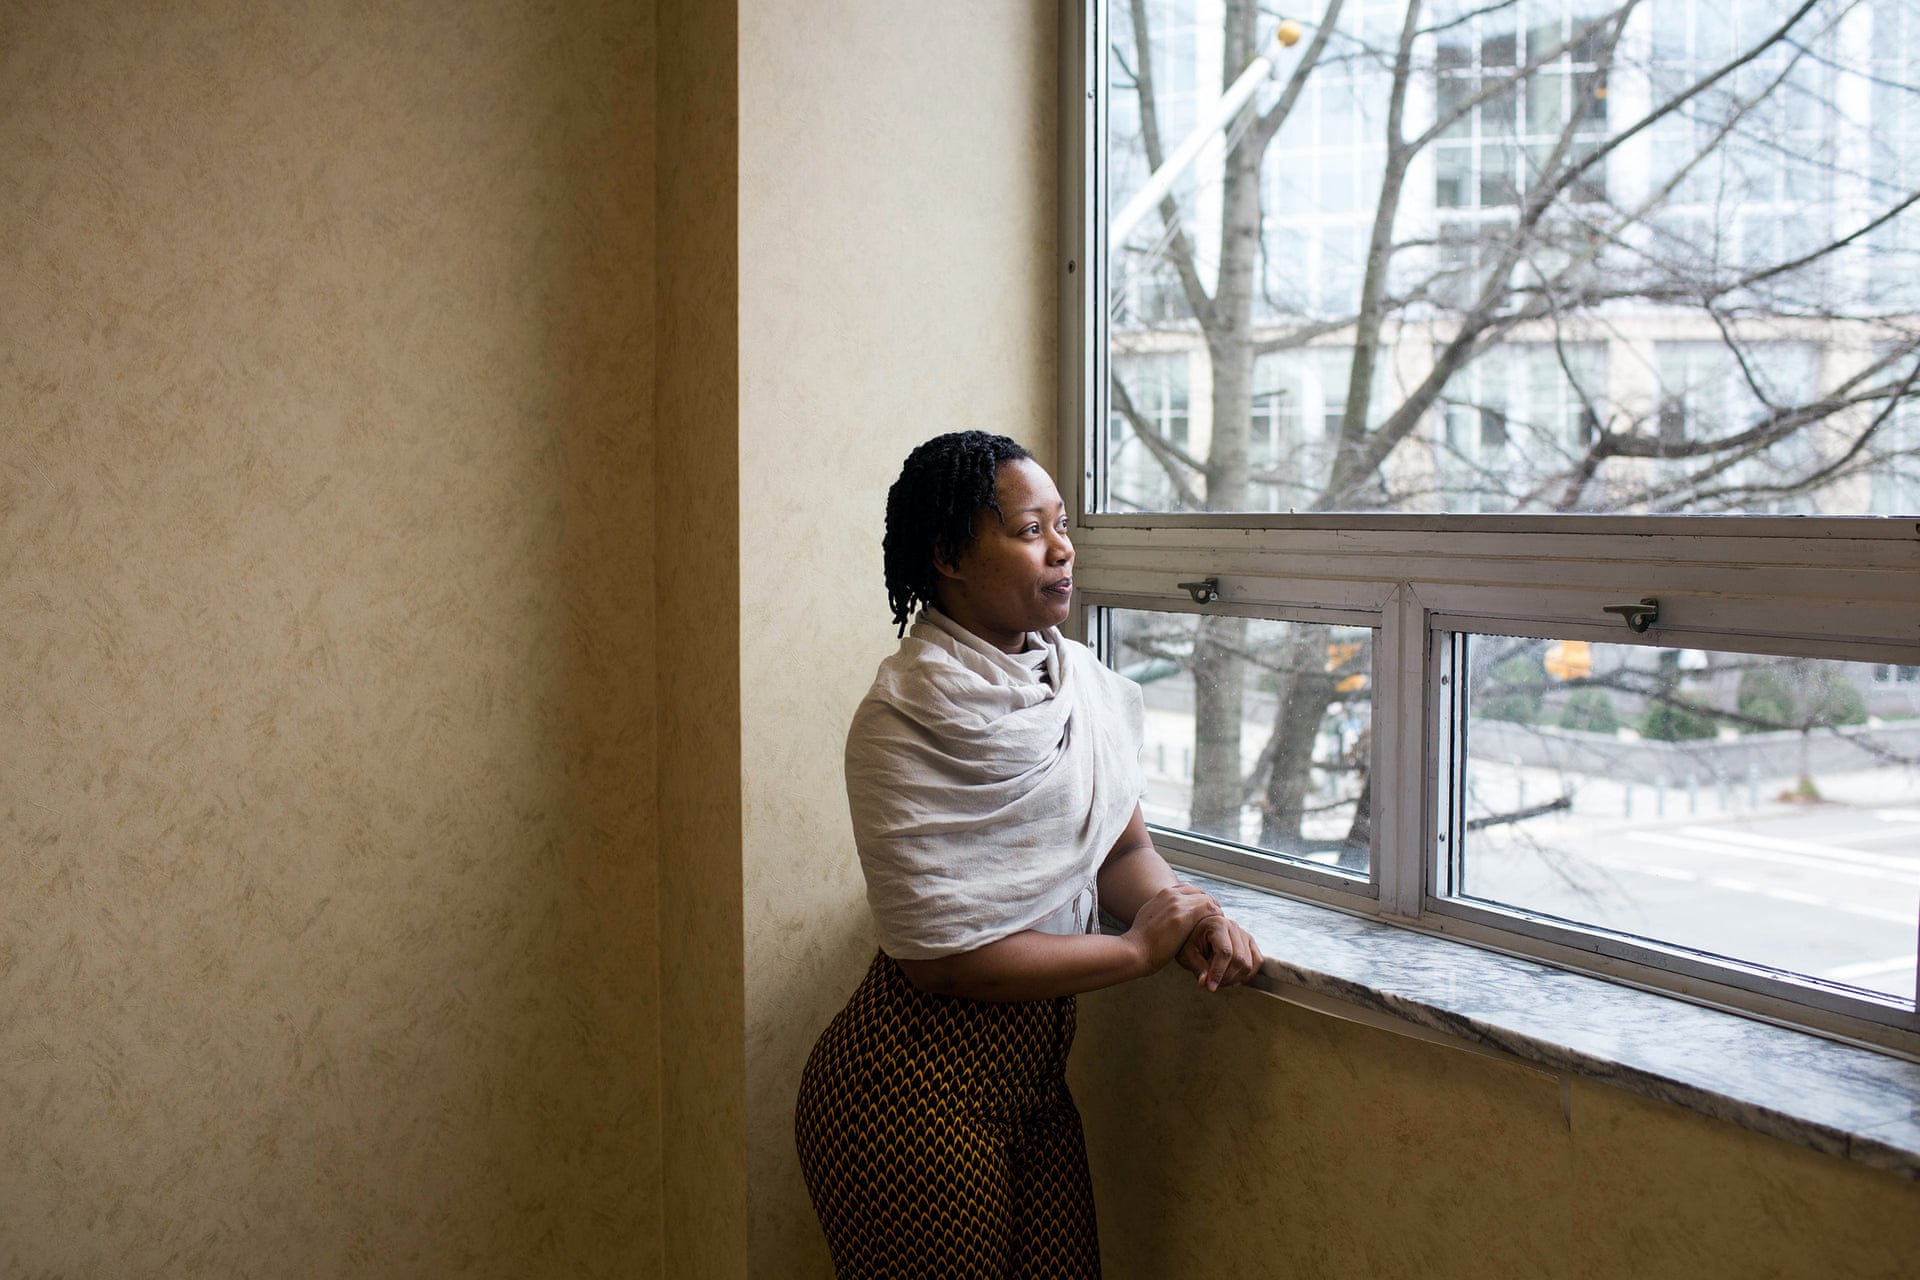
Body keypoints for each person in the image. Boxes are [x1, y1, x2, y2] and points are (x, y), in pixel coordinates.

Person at [794, 431, 1263, 1278]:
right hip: (906, 1097)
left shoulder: (1073, 683)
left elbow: (1120, 848)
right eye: (1027, 530)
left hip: (1036, 1088)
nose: (1061, 547)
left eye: (1063, 523)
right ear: (948, 556)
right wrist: (1132, 951)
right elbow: (943, 959)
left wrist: (1187, 917)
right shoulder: (899, 723)